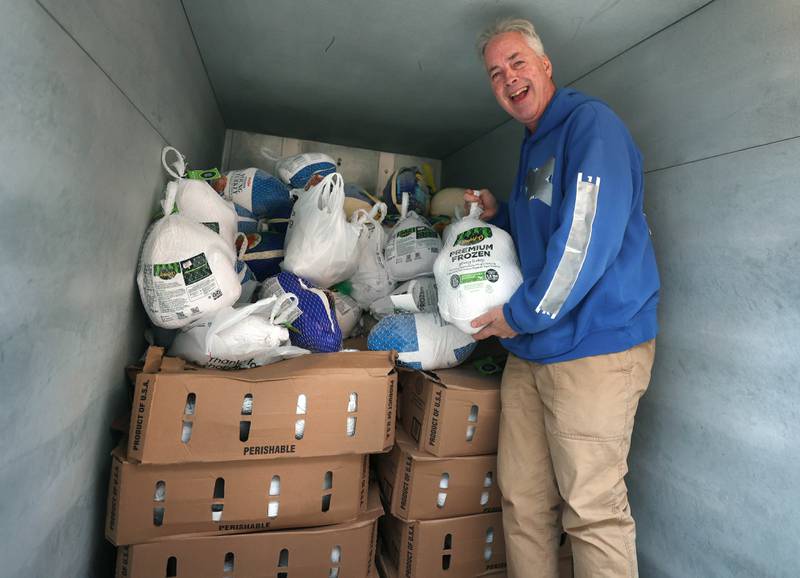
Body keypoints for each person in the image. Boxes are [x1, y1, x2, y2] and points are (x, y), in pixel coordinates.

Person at [466, 18, 660, 578]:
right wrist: (500, 214)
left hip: (594, 347)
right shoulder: (533, 145)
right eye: (496, 73)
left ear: (545, 66)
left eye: (518, 62)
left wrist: (516, 316)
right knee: (523, 504)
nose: (509, 78)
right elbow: (549, 230)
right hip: (533, 349)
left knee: (592, 511)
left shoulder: (589, 126)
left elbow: (583, 240)